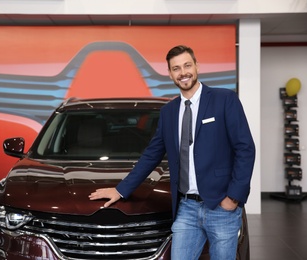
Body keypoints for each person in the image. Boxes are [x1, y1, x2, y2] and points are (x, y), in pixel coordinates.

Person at [89, 45, 255, 260]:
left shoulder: (224, 100)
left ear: (196, 66)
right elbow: (152, 154)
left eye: (187, 65)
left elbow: (245, 148)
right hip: (186, 207)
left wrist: (233, 196)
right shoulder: (168, 112)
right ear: (170, 74)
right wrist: (120, 190)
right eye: (176, 68)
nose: (183, 72)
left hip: (221, 206)